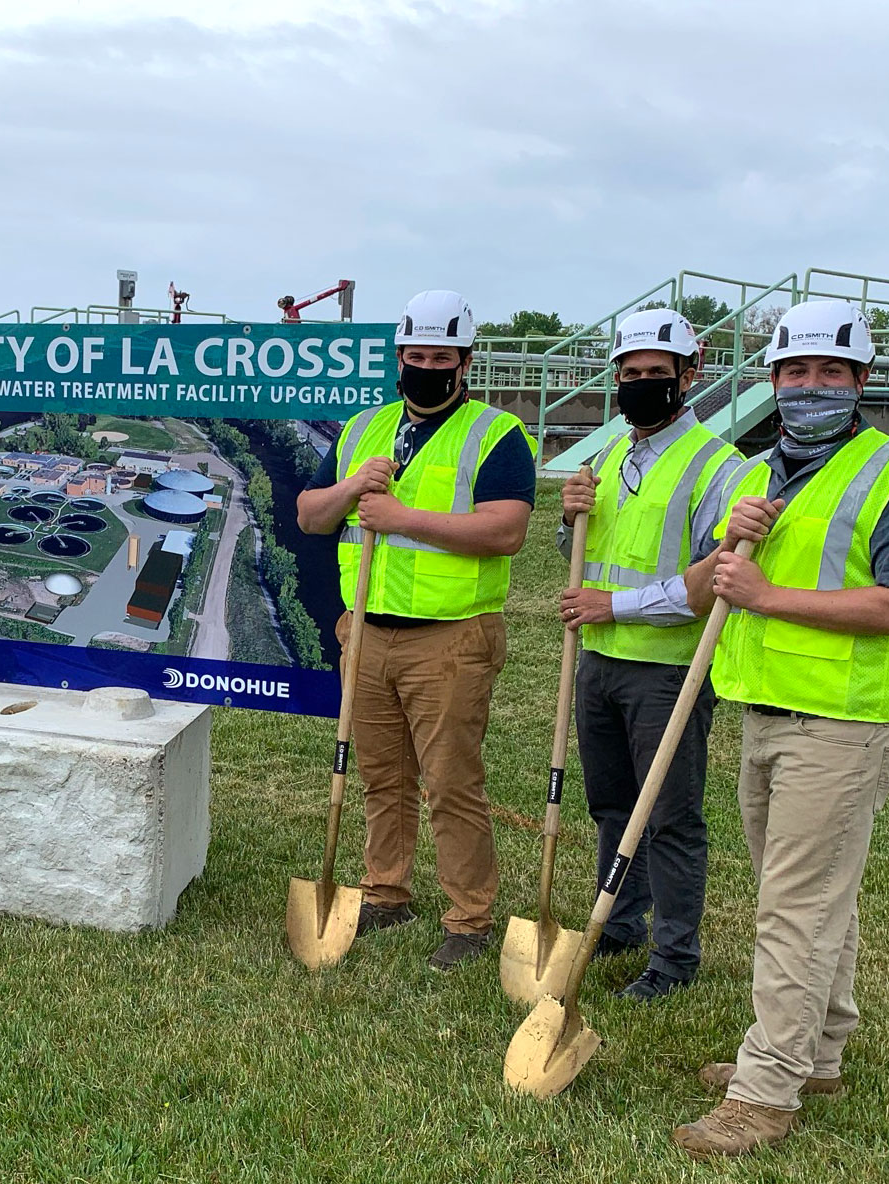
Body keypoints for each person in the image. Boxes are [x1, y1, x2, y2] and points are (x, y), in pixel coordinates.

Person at [672, 300, 889, 1156]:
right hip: (763, 711)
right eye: (796, 373)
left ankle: (765, 1093)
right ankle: (819, 1051)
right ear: (773, 383)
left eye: (831, 372)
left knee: (793, 909)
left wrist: (767, 596)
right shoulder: (758, 476)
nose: (811, 387)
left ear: (861, 381)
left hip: (841, 722)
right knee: (812, 896)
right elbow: (702, 593)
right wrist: (727, 546)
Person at [295, 289, 536, 971]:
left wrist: (404, 519)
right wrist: (352, 491)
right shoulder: (361, 430)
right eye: (415, 355)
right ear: (399, 358)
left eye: (441, 357)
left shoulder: (496, 434)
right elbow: (312, 515)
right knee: (381, 774)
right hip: (366, 631)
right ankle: (386, 890)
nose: (427, 366)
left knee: (451, 782)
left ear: (464, 362)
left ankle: (469, 917)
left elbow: (508, 530)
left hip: (451, 637)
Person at [556, 309, 741, 1000]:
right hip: (599, 661)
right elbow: (577, 553)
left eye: (655, 375)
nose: (639, 386)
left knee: (668, 817)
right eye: (629, 375)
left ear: (689, 377)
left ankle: (674, 956)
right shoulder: (607, 457)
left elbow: (708, 584)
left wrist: (615, 606)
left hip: (669, 670)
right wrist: (569, 516)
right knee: (610, 804)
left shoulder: (720, 467)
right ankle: (622, 925)